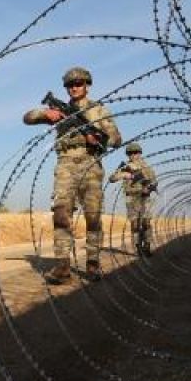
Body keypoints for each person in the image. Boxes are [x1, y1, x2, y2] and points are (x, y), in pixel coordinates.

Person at [22, 67, 122, 284]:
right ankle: (62, 266)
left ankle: (93, 263)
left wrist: (98, 137)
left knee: (93, 216)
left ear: (87, 85)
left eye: (79, 83)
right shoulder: (61, 109)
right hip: (66, 164)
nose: (74, 87)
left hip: (91, 164)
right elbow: (27, 118)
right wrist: (45, 114)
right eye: (70, 85)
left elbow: (117, 138)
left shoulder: (98, 110)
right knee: (61, 215)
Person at [109, 142, 158, 257]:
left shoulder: (147, 167)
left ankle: (147, 246)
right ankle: (138, 247)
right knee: (135, 225)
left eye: (136, 153)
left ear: (140, 154)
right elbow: (111, 178)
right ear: (128, 154)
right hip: (131, 198)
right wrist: (124, 175)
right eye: (130, 153)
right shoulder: (124, 167)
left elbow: (154, 182)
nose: (133, 155)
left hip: (145, 197)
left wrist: (149, 189)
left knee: (146, 223)